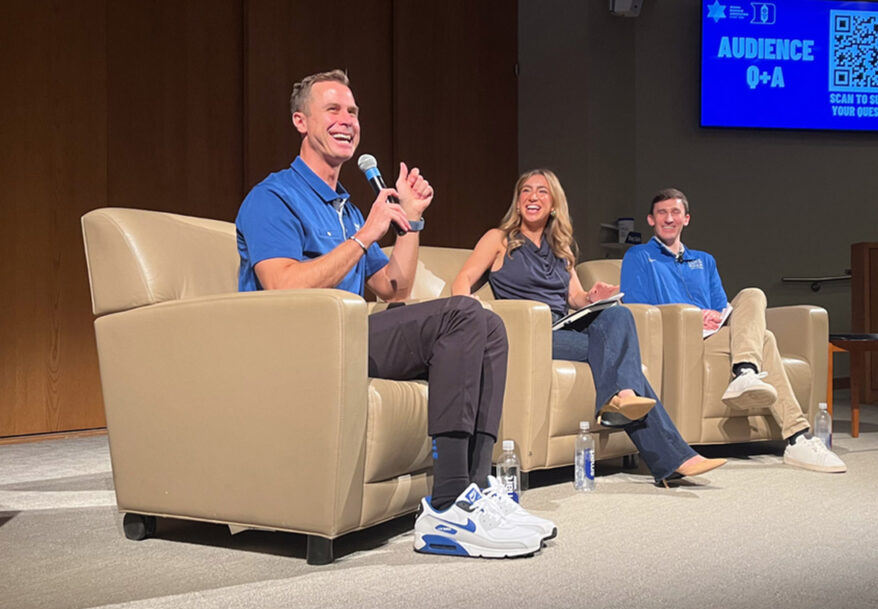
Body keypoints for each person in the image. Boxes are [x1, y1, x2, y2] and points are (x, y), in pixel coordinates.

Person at [235, 70, 554, 558]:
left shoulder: (343, 205)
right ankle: (446, 506)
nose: (348, 120)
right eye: (333, 110)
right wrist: (365, 235)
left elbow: (394, 287)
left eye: (354, 112)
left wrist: (410, 221)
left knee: (487, 322)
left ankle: (475, 488)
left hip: (352, 333)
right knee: (463, 315)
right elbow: (280, 285)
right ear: (301, 121)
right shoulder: (274, 196)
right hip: (304, 342)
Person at [452, 169, 726, 487]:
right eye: (525, 191)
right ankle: (669, 449)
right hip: (528, 335)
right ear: (517, 201)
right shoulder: (498, 239)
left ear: (554, 203)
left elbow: (574, 297)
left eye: (542, 191)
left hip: (562, 329)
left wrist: (592, 297)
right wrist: (468, 316)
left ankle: (625, 400)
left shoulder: (561, 248)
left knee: (619, 316)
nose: (532, 197)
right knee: (619, 359)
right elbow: (463, 279)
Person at [620, 188, 846, 473]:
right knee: (765, 338)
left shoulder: (705, 260)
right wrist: (692, 315)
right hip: (681, 337)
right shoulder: (638, 255)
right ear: (650, 220)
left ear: (686, 219)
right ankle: (797, 435)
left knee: (752, 294)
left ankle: (747, 373)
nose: (668, 218)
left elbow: (721, 304)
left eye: (675, 212)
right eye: (661, 213)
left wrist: (717, 314)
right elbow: (636, 305)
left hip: (716, 334)